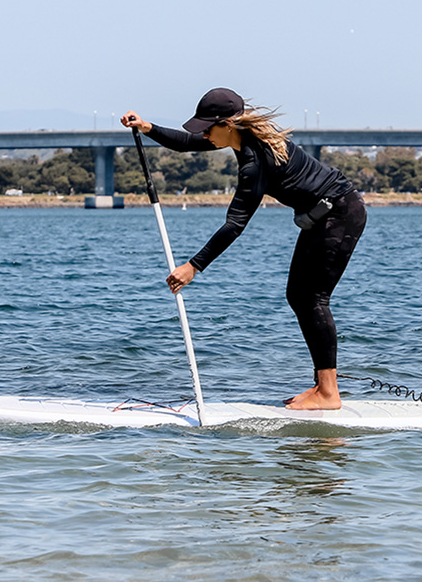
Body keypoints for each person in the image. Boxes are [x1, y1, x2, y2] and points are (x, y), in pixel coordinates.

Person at [121, 88, 366, 410]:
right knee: (300, 296)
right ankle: (323, 385)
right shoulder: (240, 139)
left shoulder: (255, 161)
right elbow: (185, 143)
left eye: (209, 127)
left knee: (311, 298)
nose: (205, 134)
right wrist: (147, 127)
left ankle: (329, 393)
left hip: (340, 215)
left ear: (229, 124)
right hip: (327, 216)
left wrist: (193, 266)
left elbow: (235, 224)